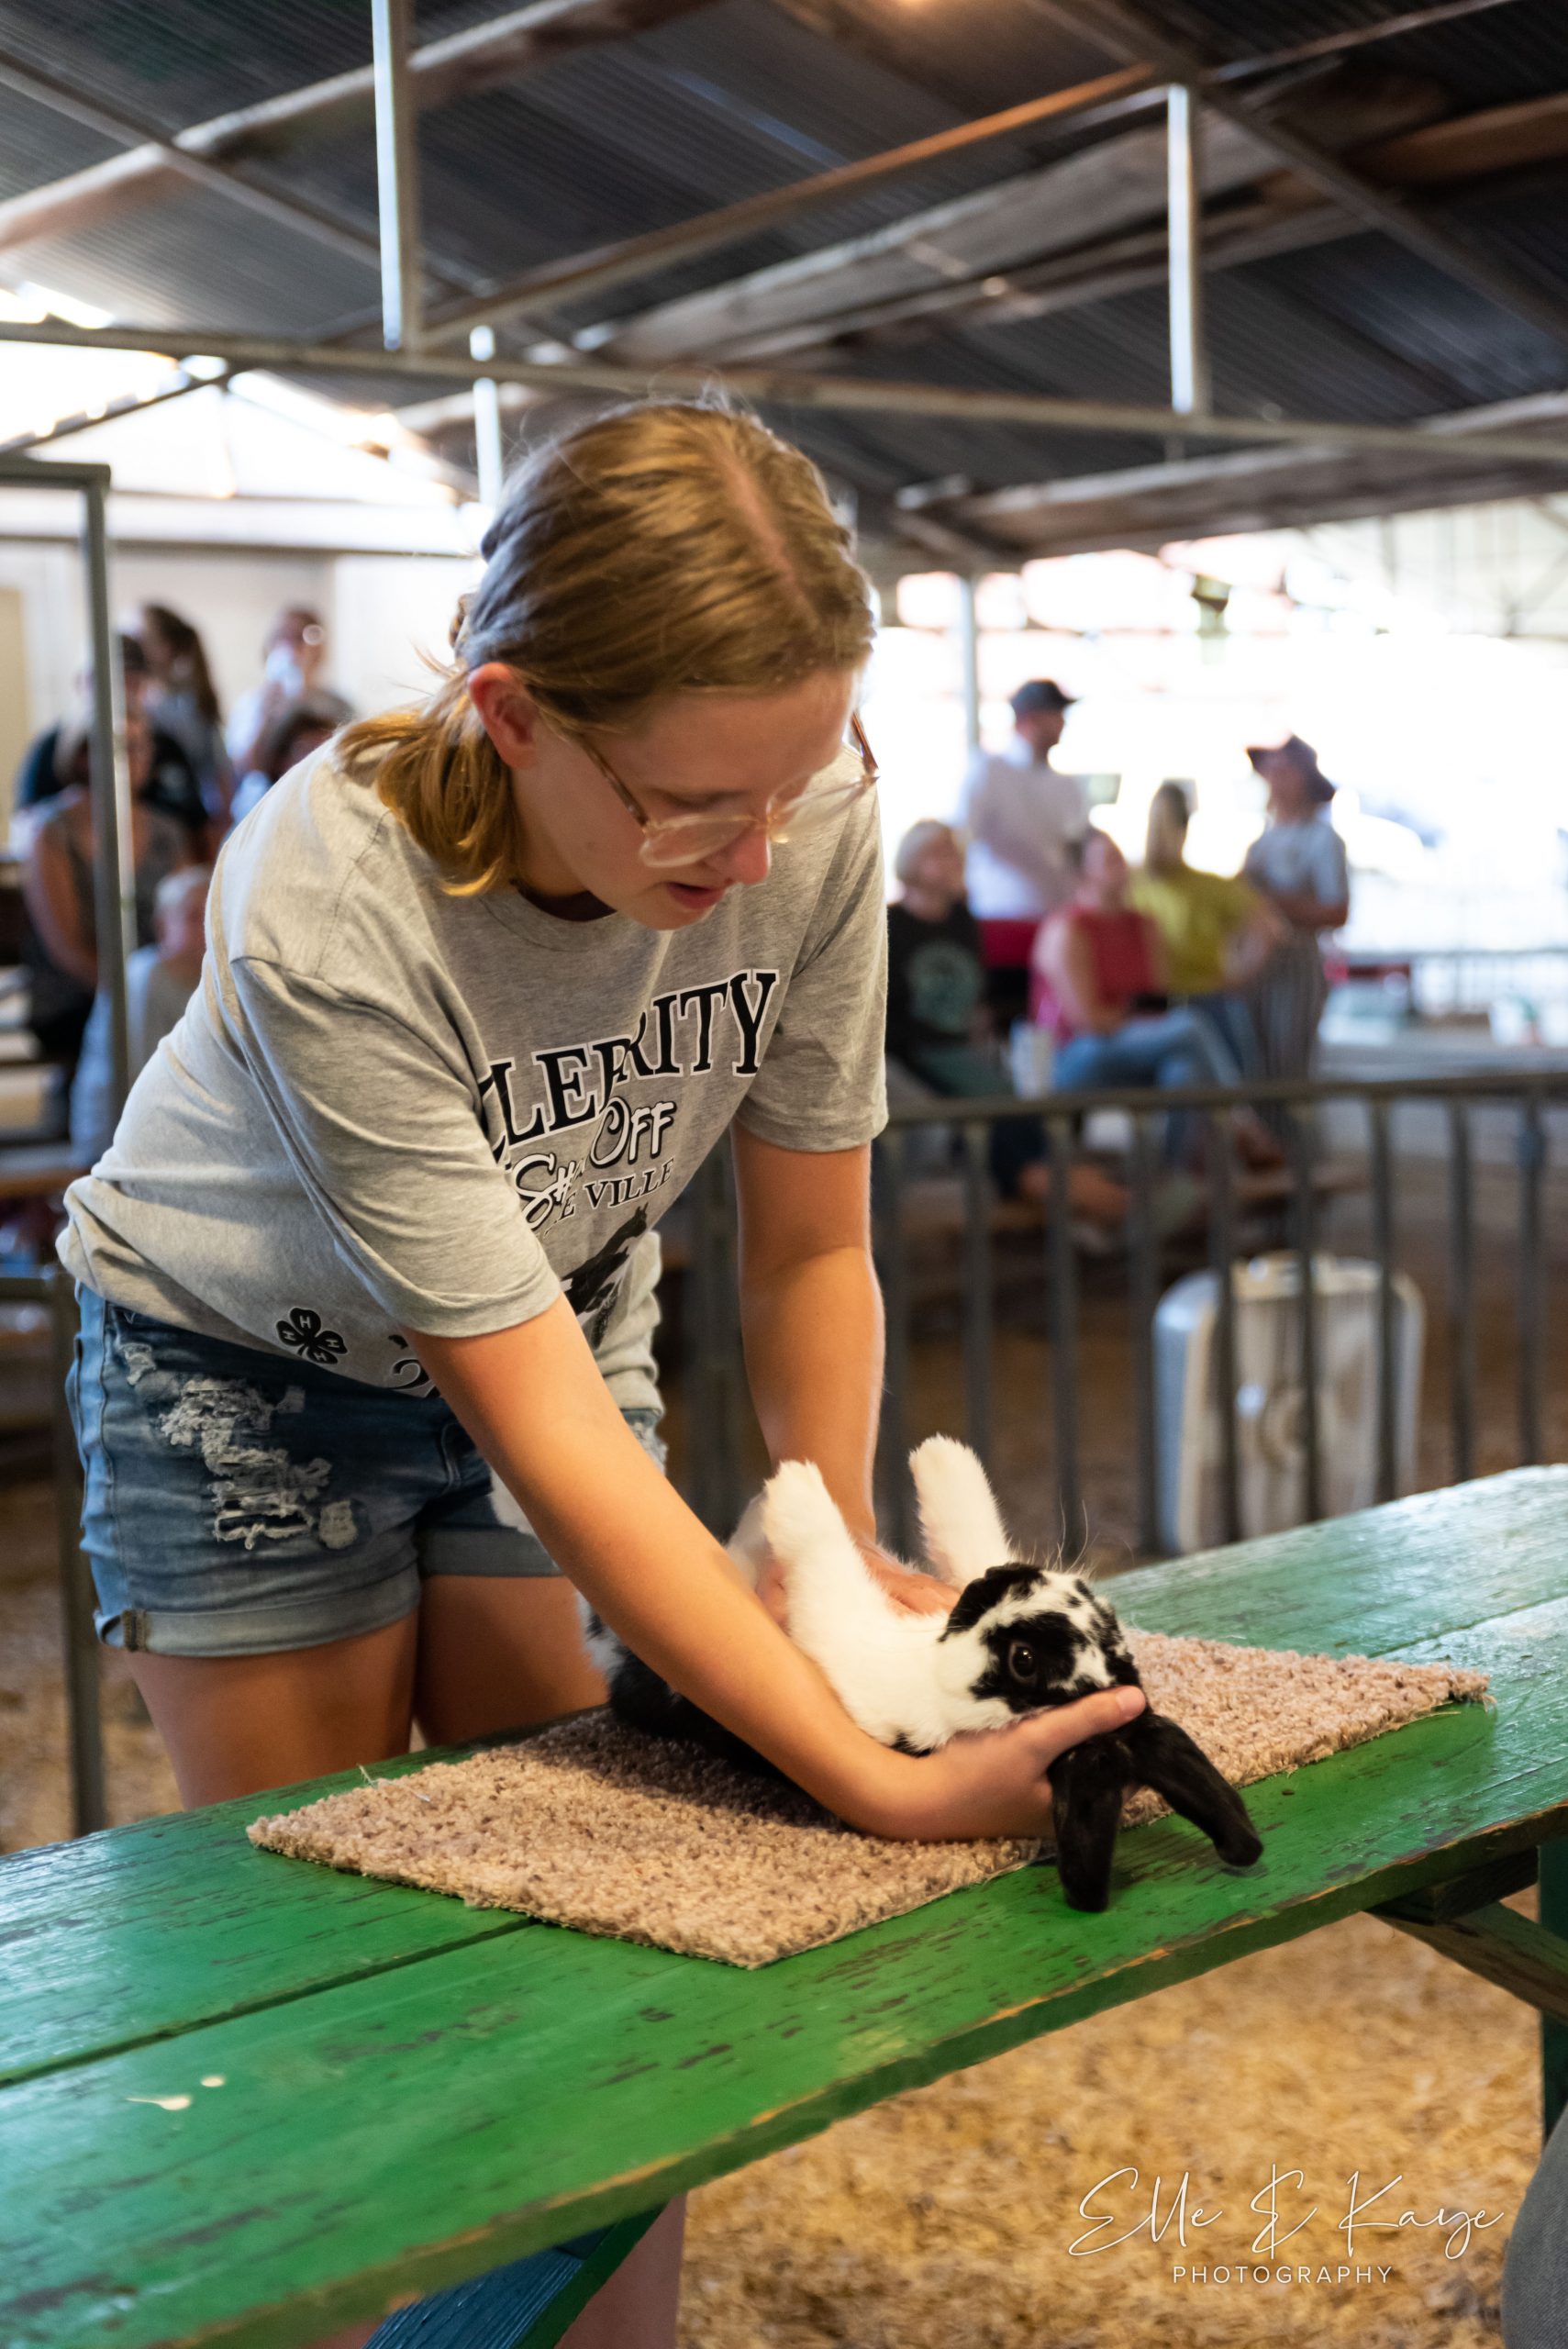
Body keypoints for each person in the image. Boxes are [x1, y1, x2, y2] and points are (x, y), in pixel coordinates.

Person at [59, 404, 1144, 2349]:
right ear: (511, 715)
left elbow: (807, 1243)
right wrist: (869, 1786)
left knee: (622, 1903)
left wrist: (825, 1565)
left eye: (798, 782)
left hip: (560, 1298)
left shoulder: (796, 816)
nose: (755, 855)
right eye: (691, 806)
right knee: (322, 1948)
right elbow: (549, 1438)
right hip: (238, 1369)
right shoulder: (334, 889)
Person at [887, 819, 1128, 1228]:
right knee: (994, 1110)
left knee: (1019, 1107)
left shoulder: (962, 922)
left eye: (954, 851)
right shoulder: (890, 926)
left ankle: (1063, 1195)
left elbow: (977, 999)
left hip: (964, 1050)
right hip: (916, 1054)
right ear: (913, 862)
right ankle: (1074, 1196)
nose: (953, 861)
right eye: (940, 852)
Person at [1032, 828, 1280, 1166]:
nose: (1122, 866)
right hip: (1076, 1053)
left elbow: (1157, 999)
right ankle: (1244, 1123)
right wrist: (1133, 1015)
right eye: (1110, 860)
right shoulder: (1067, 930)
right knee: (1190, 1025)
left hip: (1135, 1042)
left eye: (1120, 857)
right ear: (1082, 874)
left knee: (1185, 1070)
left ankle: (1171, 1175)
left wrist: (1132, 1014)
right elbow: (1089, 1021)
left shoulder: (1143, 925)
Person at [21, 707, 191, 1074]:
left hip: (150, 985)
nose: (133, 758)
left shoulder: (167, 831)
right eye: (120, 746)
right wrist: (128, 992)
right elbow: (65, 945)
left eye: (140, 747)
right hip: (75, 992)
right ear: (84, 755)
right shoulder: (51, 832)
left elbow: (183, 926)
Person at [1130, 781, 1284, 1072]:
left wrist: (1240, 977)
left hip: (1207, 1002)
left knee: (1219, 1082)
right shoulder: (1130, 885)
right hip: (1148, 1007)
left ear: (1183, 829)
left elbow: (1268, 927)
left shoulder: (1209, 887)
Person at [69, 865, 211, 1167]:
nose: (206, 926)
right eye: (192, 916)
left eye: (211, 914)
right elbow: (142, 1072)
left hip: (174, 1121)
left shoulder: (211, 979)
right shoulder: (144, 975)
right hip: (119, 1130)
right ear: (162, 925)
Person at [11, 636, 207, 849]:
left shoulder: (168, 748)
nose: (119, 694)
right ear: (81, 683)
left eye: (131, 682)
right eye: (107, 683)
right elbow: (24, 832)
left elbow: (201, 830)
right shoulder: (49, 749)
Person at [1240, 736, 1351, 1084]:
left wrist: (1271, 902)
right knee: (1256, 1065)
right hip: (1257, 965)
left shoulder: (1322, 839)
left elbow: (1337, 911)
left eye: (1284, 771)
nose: (1275, 780)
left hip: (1296, 964)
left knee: (1287, 1067)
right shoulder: (1263, 841)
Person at [961, 679, 1088, 920]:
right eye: (1055, 714)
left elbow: (1077, 846)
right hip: (1001, 912)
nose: (1062, 723)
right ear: (1030, 719)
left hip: (1056, 915)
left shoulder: (1066, 785)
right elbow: (962, 836)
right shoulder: (989, 771)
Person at [227, 606, 353, 782]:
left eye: (298, 638)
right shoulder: (251, 704)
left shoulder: (337, 704)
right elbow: (243, 767)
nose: (289, 647)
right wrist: (266, 713)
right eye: (280, 637)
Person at [131, 603, 231, 818]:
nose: (132, 647)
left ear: (166, 647)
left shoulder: (185, 708)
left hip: (177, 812)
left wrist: (222, 820)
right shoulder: (142, 701)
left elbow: (218, 772)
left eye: (140, 638)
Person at [227, 698, 342, 830]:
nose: (317, 761)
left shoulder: (334, 803)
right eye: (304, 750)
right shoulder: (258, 805)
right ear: (279, 759)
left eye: (325, 749)